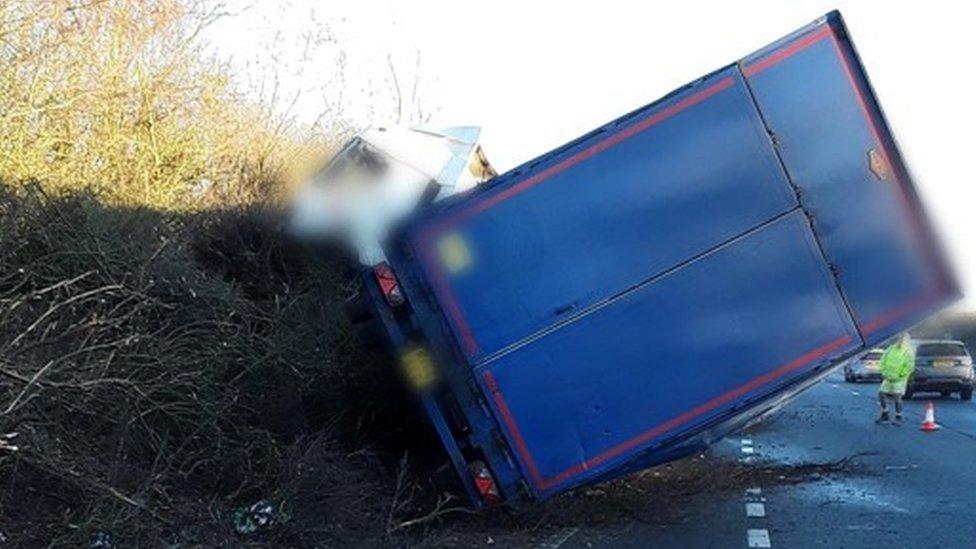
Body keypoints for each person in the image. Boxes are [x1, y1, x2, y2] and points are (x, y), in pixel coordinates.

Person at [877, 333, 915, 425]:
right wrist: (883, 372)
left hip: (899, 379)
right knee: (881, 394)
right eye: (900, 338)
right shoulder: (890, 348)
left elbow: (909, 365)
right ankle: (885, 414)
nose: (901, 340)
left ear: (907, 340)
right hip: (887, 377)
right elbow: (883, 360)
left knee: (897, 397)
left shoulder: (908, 351)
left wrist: (900, 375)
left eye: (903, 339)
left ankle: (898, 416)